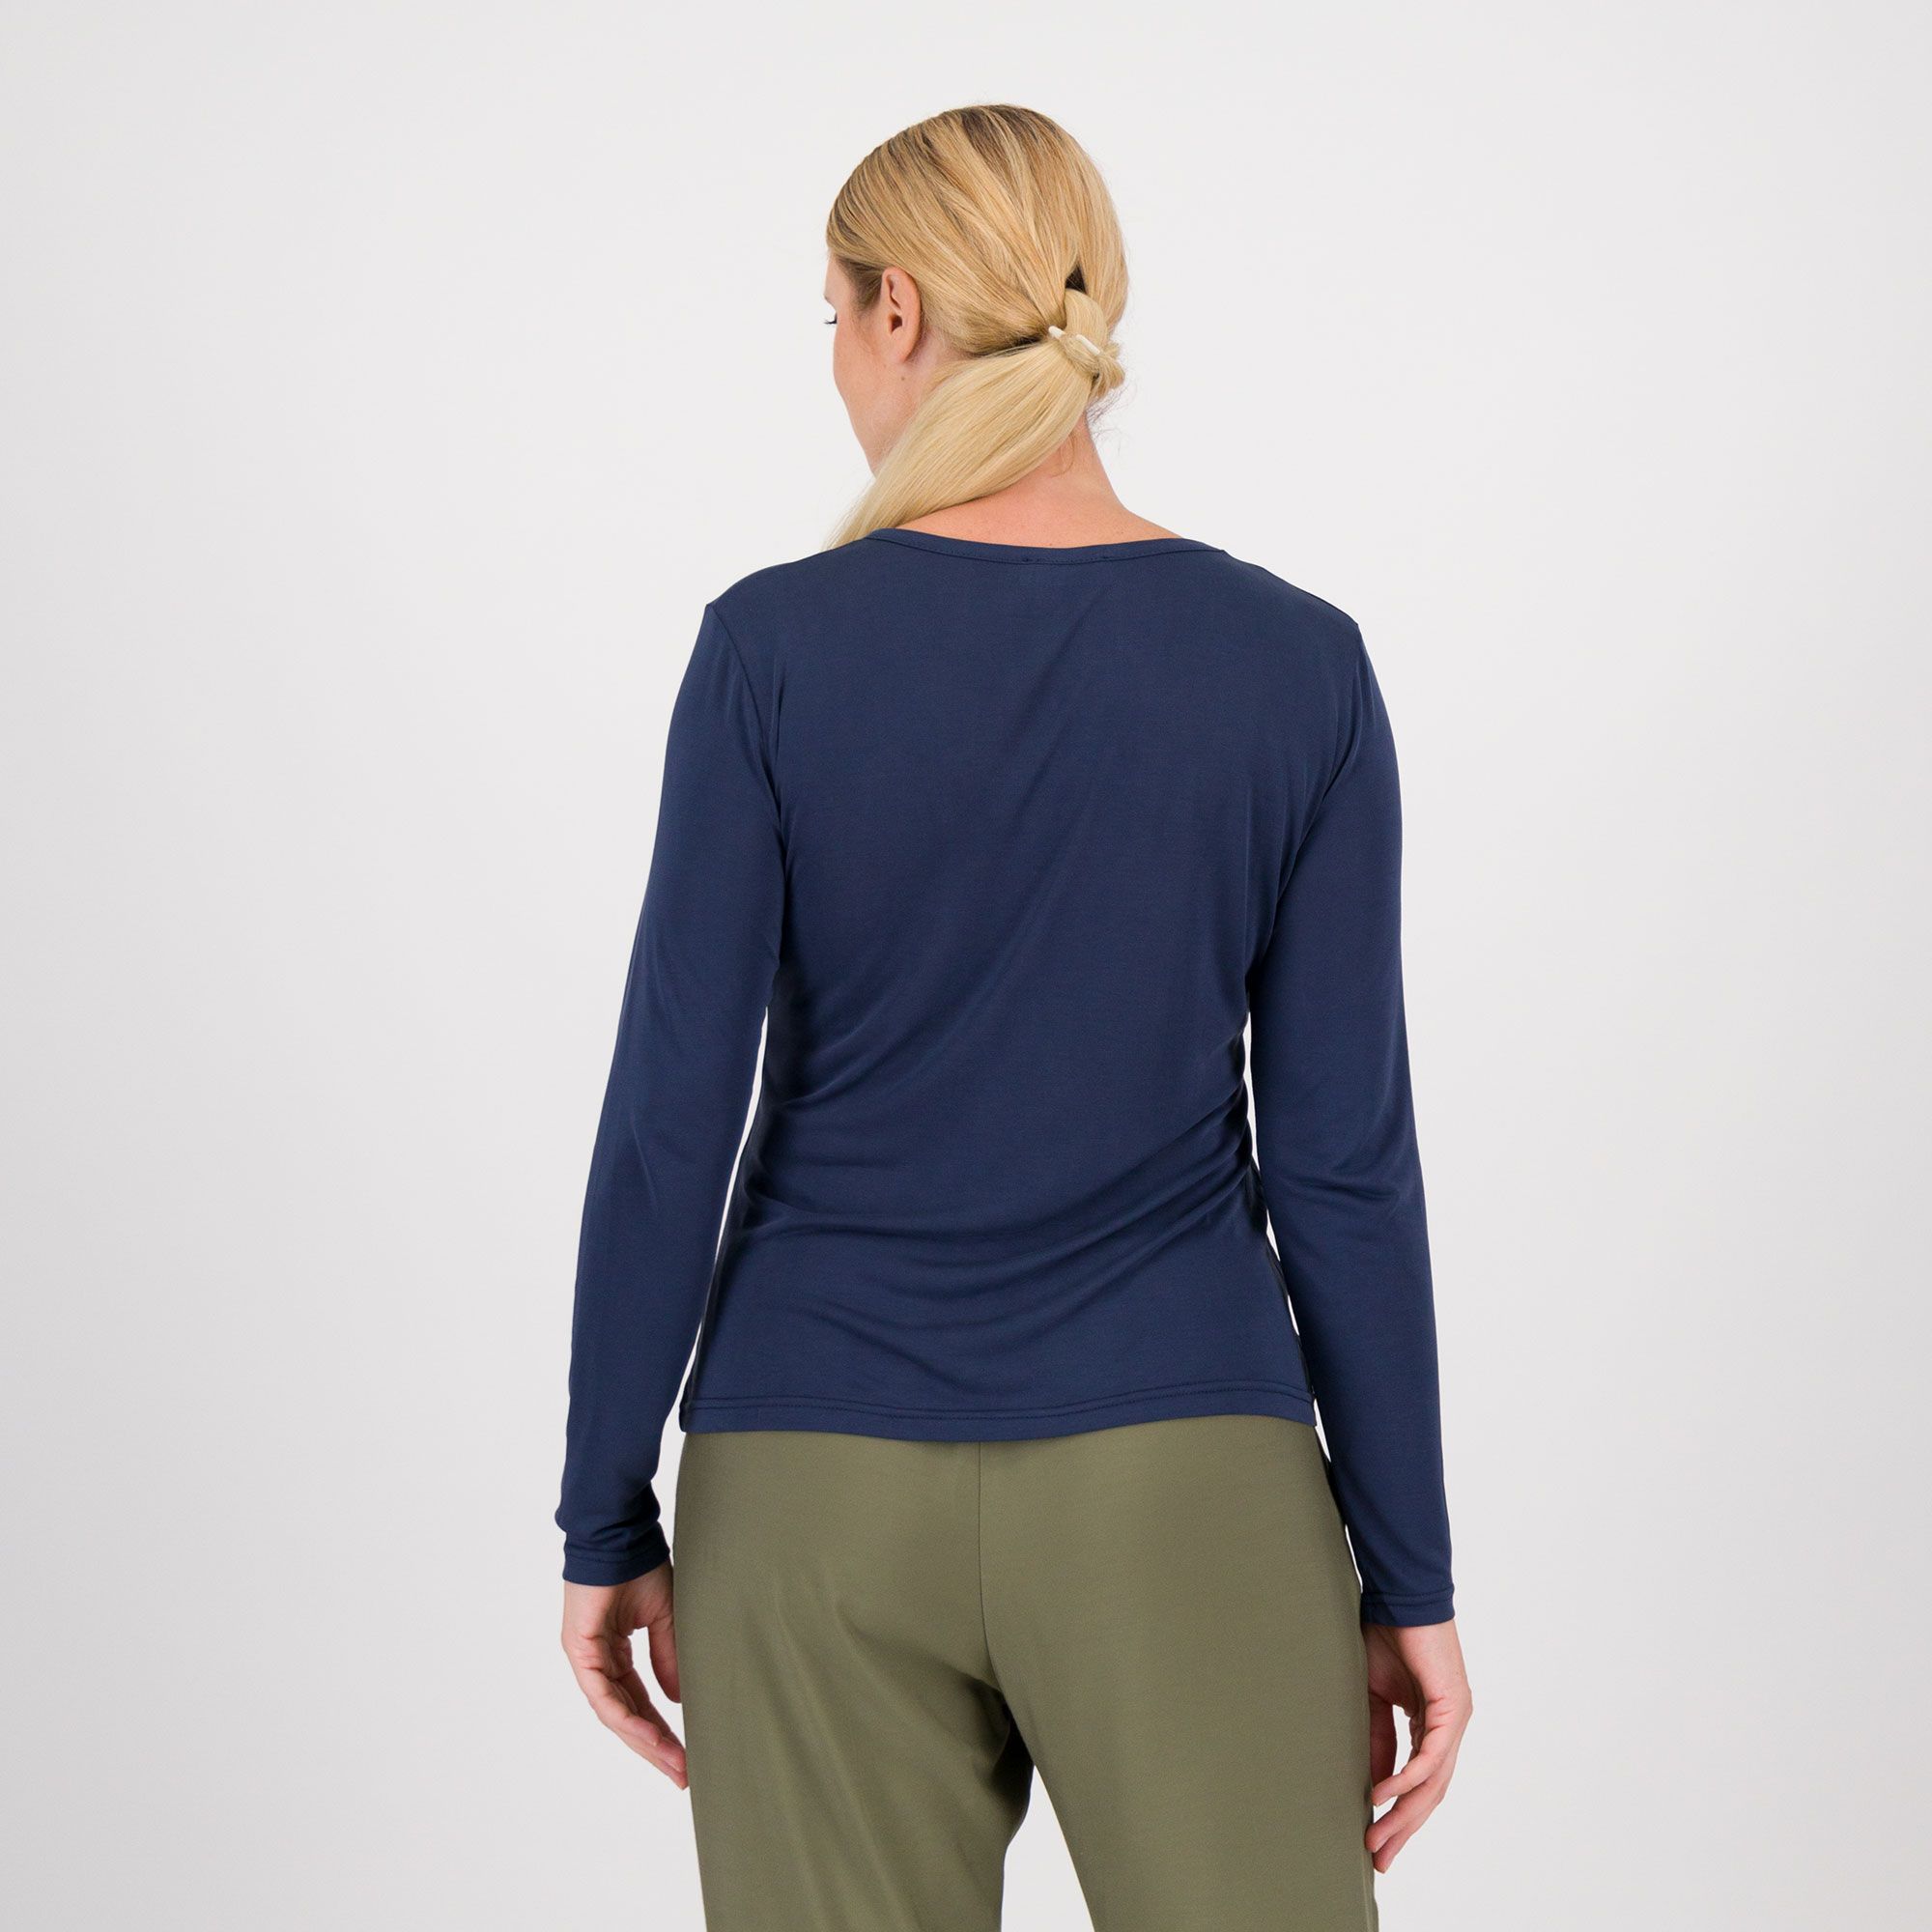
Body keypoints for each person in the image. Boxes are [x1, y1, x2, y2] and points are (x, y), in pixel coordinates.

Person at [556, 103, 1470, 1932]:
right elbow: (1344, 1166)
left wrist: (603, 1518)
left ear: (895, 310)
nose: (836, 361)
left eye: (830, 317)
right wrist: (1411, 1576)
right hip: (1185, 1482)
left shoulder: (771, 653)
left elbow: (671, 1121)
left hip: (810, 1483)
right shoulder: (1297, 665)